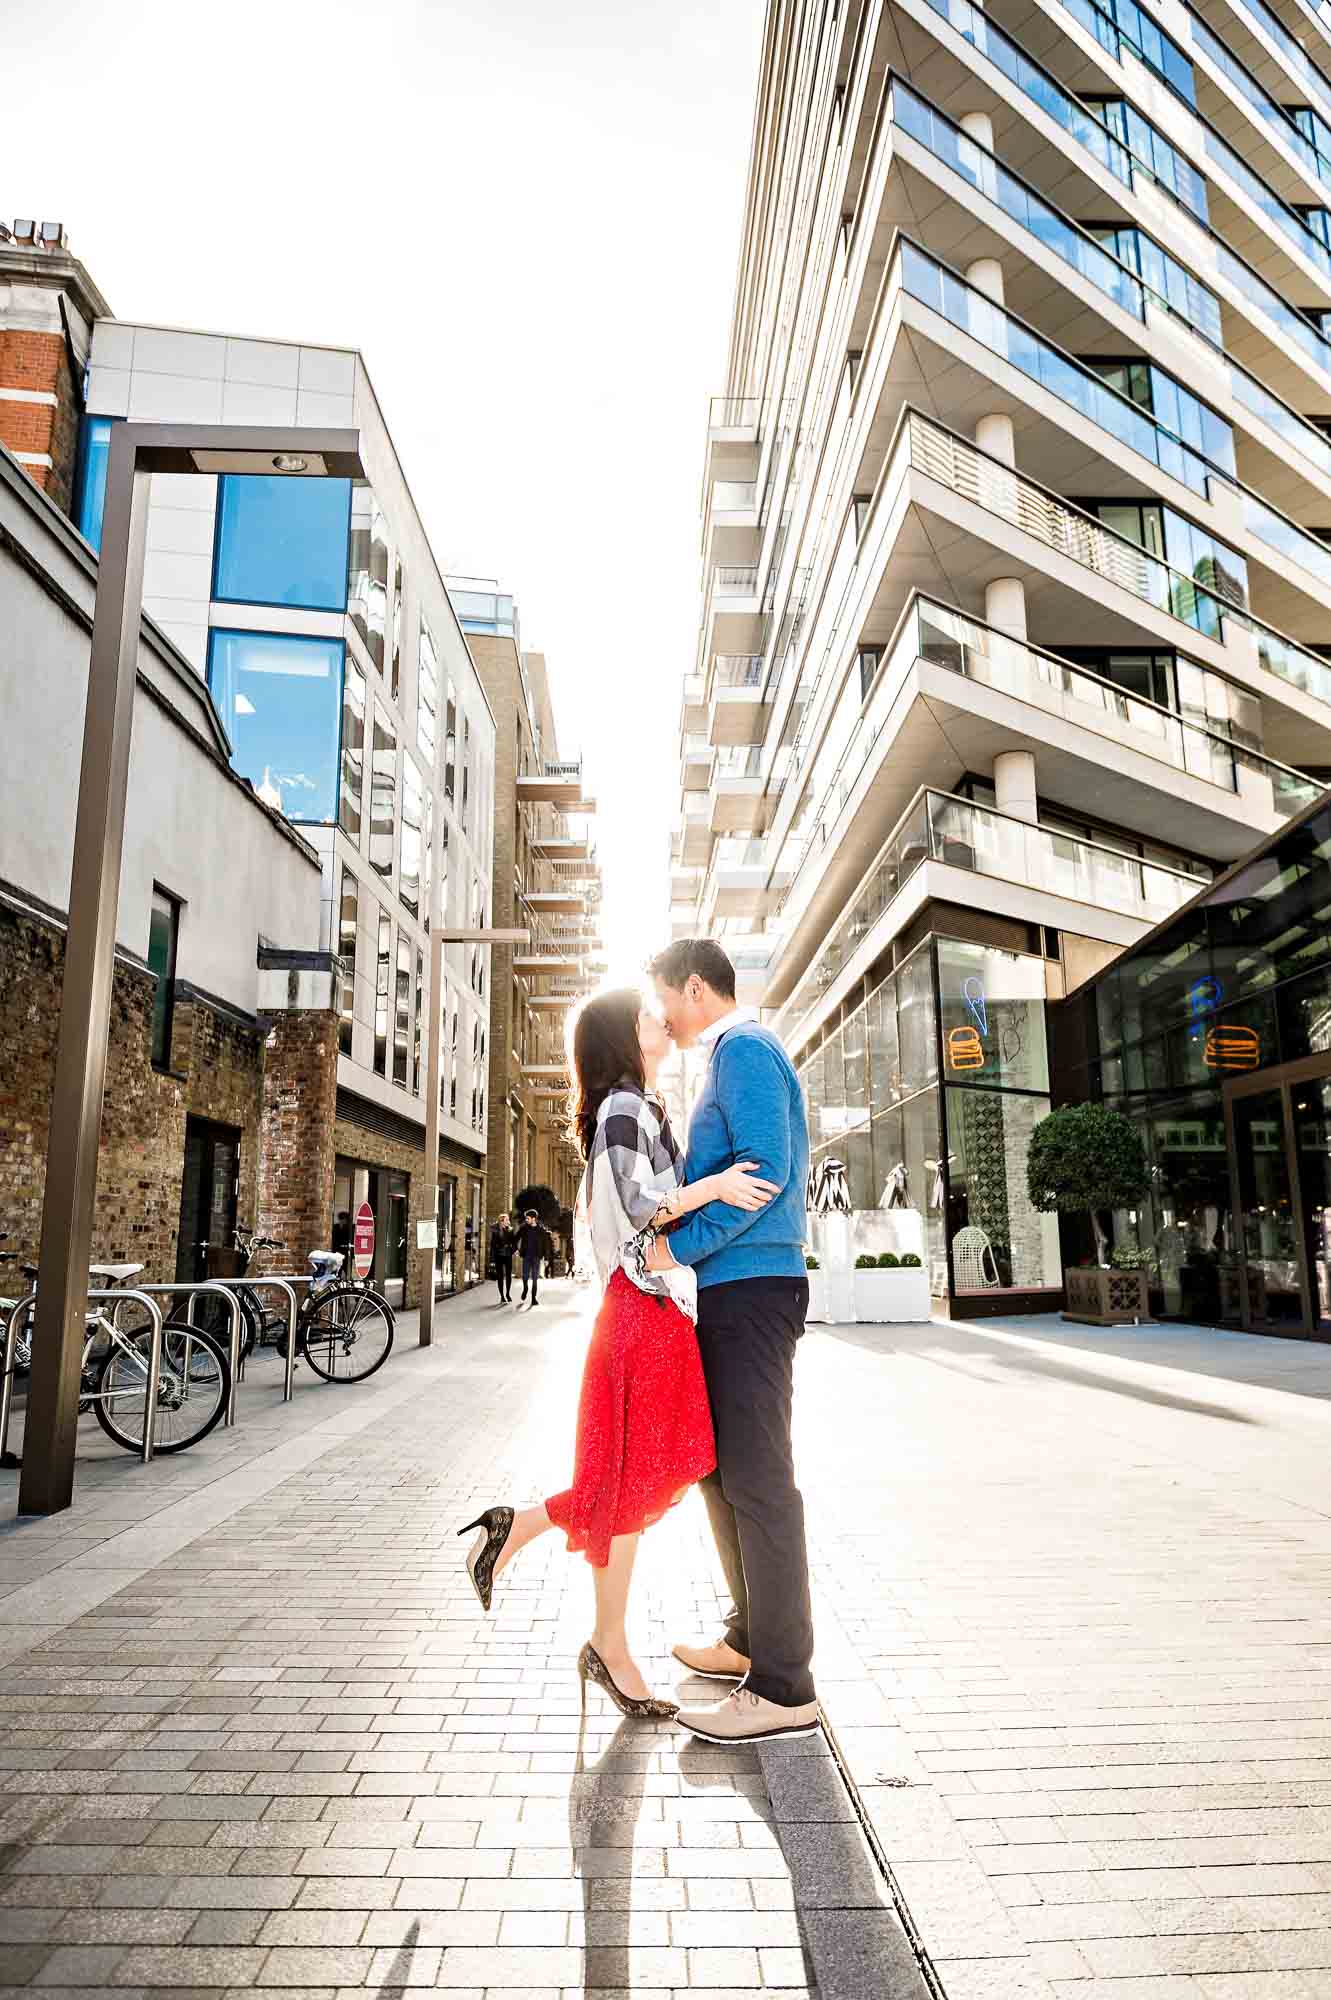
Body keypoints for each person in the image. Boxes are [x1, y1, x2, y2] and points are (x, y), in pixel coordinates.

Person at [456, 987, 778, 1718]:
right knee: (644, 1475)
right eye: (645, 1015)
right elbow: (641, 1207)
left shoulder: (631, 1105)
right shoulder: (627, 1107)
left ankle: (540, 1553)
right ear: (622, 1037)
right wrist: (716, 1186)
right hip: (642, 1313)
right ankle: (604, 1639)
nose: (659, 1021)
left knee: (636, 1475)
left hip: (639, 1314)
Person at [645, 937, 818, 1745]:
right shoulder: (728, 1054)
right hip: (734, 1288)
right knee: (723, 1472)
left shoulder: (743, 1048)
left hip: (753, 1287)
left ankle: (783, 1685)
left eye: (663, 999)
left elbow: (765, 1172)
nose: (661, 1016)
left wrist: (674, 1245)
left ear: (692, 987)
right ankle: (747, 1637)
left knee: (758, 1480)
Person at [516, 1209, 545, 1308]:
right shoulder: (524, 1228)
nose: (526, 1220)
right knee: (525, 1276)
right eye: (526, 1218)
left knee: (535, 1279)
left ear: (533, 1219)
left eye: (528, 1218)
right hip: (526, 1256)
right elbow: (516, 1238)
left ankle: (533, 1298)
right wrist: (517, 1249)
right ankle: (525, 1289)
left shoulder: (541, 1230)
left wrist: (545, 1256)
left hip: (536, 1257)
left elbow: (545, 1244)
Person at [489, 1212, 516, 1303]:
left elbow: (514, 1243)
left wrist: (512, 1250)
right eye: (506, 1220)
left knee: (508, 1276)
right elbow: (492, 1245)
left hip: (508, 1255)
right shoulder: (495, 1231)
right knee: (500, 1277)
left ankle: (508, 1293)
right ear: (502, 1221)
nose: (508, 1221)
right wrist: (492, 1259)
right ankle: (502, 1296)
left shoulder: (511, 1230)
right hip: (498, 1256)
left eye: (508, 1220)